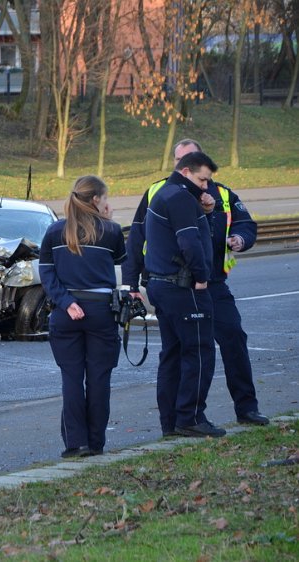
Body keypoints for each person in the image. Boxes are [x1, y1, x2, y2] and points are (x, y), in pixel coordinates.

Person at [122, 140, 269, 431]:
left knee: (233, 341)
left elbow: (245, 223)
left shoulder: (220, 192)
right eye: (181, 160)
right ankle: (178, 421)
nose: (187, 168)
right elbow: (137, 238)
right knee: (182, 352)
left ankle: (246, 408)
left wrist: (240, 238)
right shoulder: (162, 192)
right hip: (182, 284)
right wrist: (130, 282)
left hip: (213, 283)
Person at [39, 176, 126, 458]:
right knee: (99, 378)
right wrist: (110, 220)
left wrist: (66, 302)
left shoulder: (54, 232)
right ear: (97, 200)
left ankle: (76, 443)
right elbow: (122, 263)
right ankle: (97, 442)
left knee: (72, 378)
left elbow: (47, 273)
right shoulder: (110, 231)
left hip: (66, 314)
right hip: (101, 310)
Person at [143, 151, 224, 438]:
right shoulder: (180, 198)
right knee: (199, 352)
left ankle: (171, 422)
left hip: (162, 285)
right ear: (186, 171)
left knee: (173, 354)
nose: (206, 186)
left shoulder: (164, 194)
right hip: (184, 287)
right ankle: (190, 417)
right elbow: (189, 242)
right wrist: (202, 278)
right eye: (203, 179)